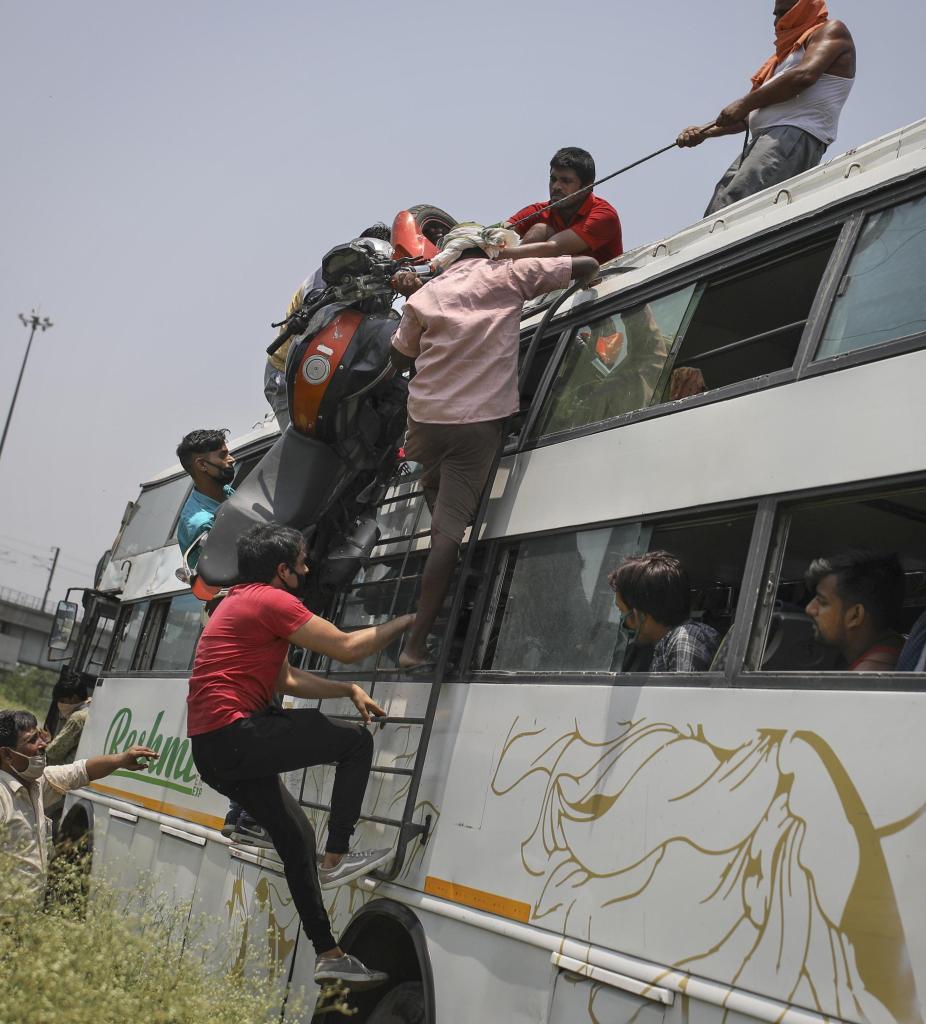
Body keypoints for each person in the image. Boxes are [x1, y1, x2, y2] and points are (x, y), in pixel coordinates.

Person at [186, 522, 414, 989]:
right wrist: (411, 620)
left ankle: (329, 953)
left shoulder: (236, 601)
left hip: (213, 750)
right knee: (355, 741)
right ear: (282, 570)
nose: (308, 569)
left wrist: (347, 689)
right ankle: (338, 854)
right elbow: (349, 647)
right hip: (238, 733)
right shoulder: (272, 601)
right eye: (302, 562)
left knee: (295, 839)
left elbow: (285, 681)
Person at [390, 223, 599, 670]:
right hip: (476, 424)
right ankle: (413, 647)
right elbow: (587, 265)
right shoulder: (507, 274)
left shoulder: (425, 294)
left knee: (438, 497)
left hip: (424, 424)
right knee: (448, 534)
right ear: (492, 250)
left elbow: (399, 356)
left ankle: (441, 549)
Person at [678, 0, 855, 216]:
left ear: (803, 7)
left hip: (794, 134)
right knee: (720, 205)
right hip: (766, 139)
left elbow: (804, 75)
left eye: (783, 13)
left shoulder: (830, 30)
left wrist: (745, 103)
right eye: (775, 14)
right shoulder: (784, 57)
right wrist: (704, 132)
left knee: (735, 209)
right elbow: (749, 115)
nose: (776, 22)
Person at [0, 708, 156, 893]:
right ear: (7, 754)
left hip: (26, 914)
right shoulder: (3, 797)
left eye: (40, 736)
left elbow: (81, 771)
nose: (42, 744)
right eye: (32, 740)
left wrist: (120, 760)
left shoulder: (36, 784)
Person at [265, 222, 394, 429]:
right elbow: (318, 316)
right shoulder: (330, 272)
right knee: (305, 436)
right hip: (289, 372)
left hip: (338, 365)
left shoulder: (382, 278)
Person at [504, 147, 623, 264]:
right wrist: (489, 239)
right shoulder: (539, 210)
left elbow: (554, 248)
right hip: (553, 280)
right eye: (553, 179)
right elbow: (502, 231)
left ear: (587, 187)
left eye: (565, 181)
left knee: (585, 263)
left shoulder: (604, 215)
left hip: (601, 281)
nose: (556, 187)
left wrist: (499, 254)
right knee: (539, 231)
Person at [609, 551, 720, 672]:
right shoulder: (659, 645)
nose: (621, 620)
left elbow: (680, 690)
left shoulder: (684, 637)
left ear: (639, 615)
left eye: (621, 610)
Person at [804, 551, 905, 671]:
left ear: (855, 615)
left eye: (822, 602)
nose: (809, 609)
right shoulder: (894, 651)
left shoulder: (867, 675)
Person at [175, 428, 236, 573]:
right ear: (202, 465)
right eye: (223, 455)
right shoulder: (202, 523)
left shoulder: (225, 491)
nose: (232, 459)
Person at [43, 677, 93, 832]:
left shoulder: (78, 717)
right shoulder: (92, 708)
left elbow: (54, 752)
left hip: (67, 778)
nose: (60, 705)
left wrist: (45, 745)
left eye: (63, 700)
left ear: (75, 698)